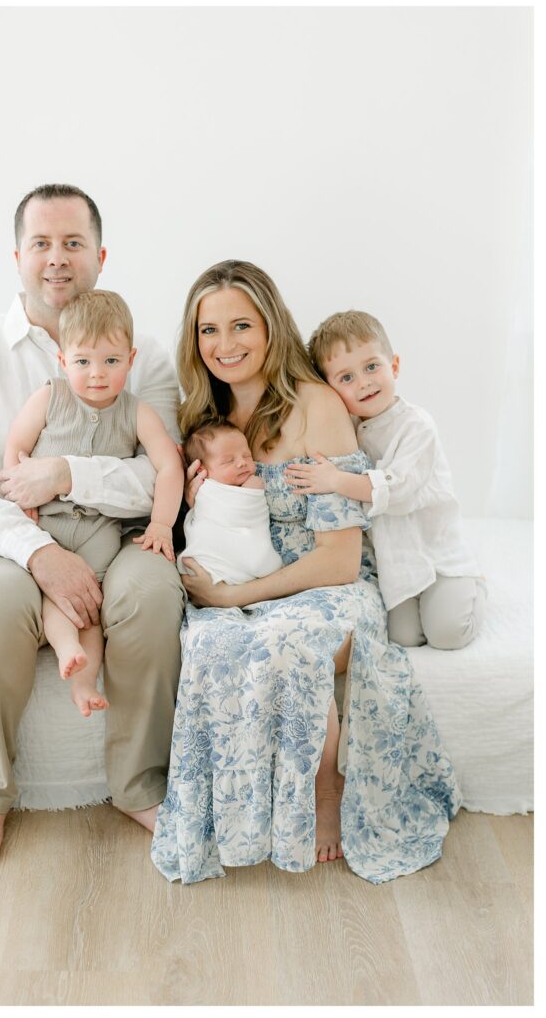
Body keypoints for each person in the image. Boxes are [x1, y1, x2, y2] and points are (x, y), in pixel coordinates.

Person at [150, 260, 461, 885]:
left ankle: (326, 787)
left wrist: (240, 594)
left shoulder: (318, 406)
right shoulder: (197, 422)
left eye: (242, 325)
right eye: (209, 331)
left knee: (289, 641)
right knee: (210, 640)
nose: (226, 344)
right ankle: (229, 812)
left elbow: (341, 559)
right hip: (235, 581)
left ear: (271, 326)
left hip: (326, 586)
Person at [0, 184, 185, 865]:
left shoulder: (143, 356)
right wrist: (37, 552)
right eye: (41, 243)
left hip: (117, 531)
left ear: (100, 255)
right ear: (18, 256)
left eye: (72, 243)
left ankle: (138, 783)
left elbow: (158, 473)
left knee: (152, 593)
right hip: (5, 537)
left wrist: (67, 474)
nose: (56, 259)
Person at [4, 289, 183, 717]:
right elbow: (15, 447)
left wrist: (160, 524)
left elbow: (170, 467)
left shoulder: (136, 412)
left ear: (131, 359)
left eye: (111, 361)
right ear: (64, 361)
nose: (97, 374)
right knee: (58, 595)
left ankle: (83, 682)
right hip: (49, 529)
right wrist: (21, 502)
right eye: (83, 361)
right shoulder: (50, 397)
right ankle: (67, 649)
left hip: (101, 533)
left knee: (94, 608)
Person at [286, 309, 486, 649]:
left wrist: (336, 480)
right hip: (397, 561)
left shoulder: (415, 426)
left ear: (393, 366)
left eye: (371, 367)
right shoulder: (347, 428)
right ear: (330, 390)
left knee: (447, 634)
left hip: (436, 555)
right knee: (403, 636)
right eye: (345, 378)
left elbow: (400, 491)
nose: (363, 382)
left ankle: (475, 586)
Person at [176, 420, 282, 584]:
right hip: (209, 566)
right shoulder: (205, 490)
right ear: (201, 470)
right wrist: (252, 493)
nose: (242, 462)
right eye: (228, 461)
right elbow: (230, 516)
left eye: (247, 455)